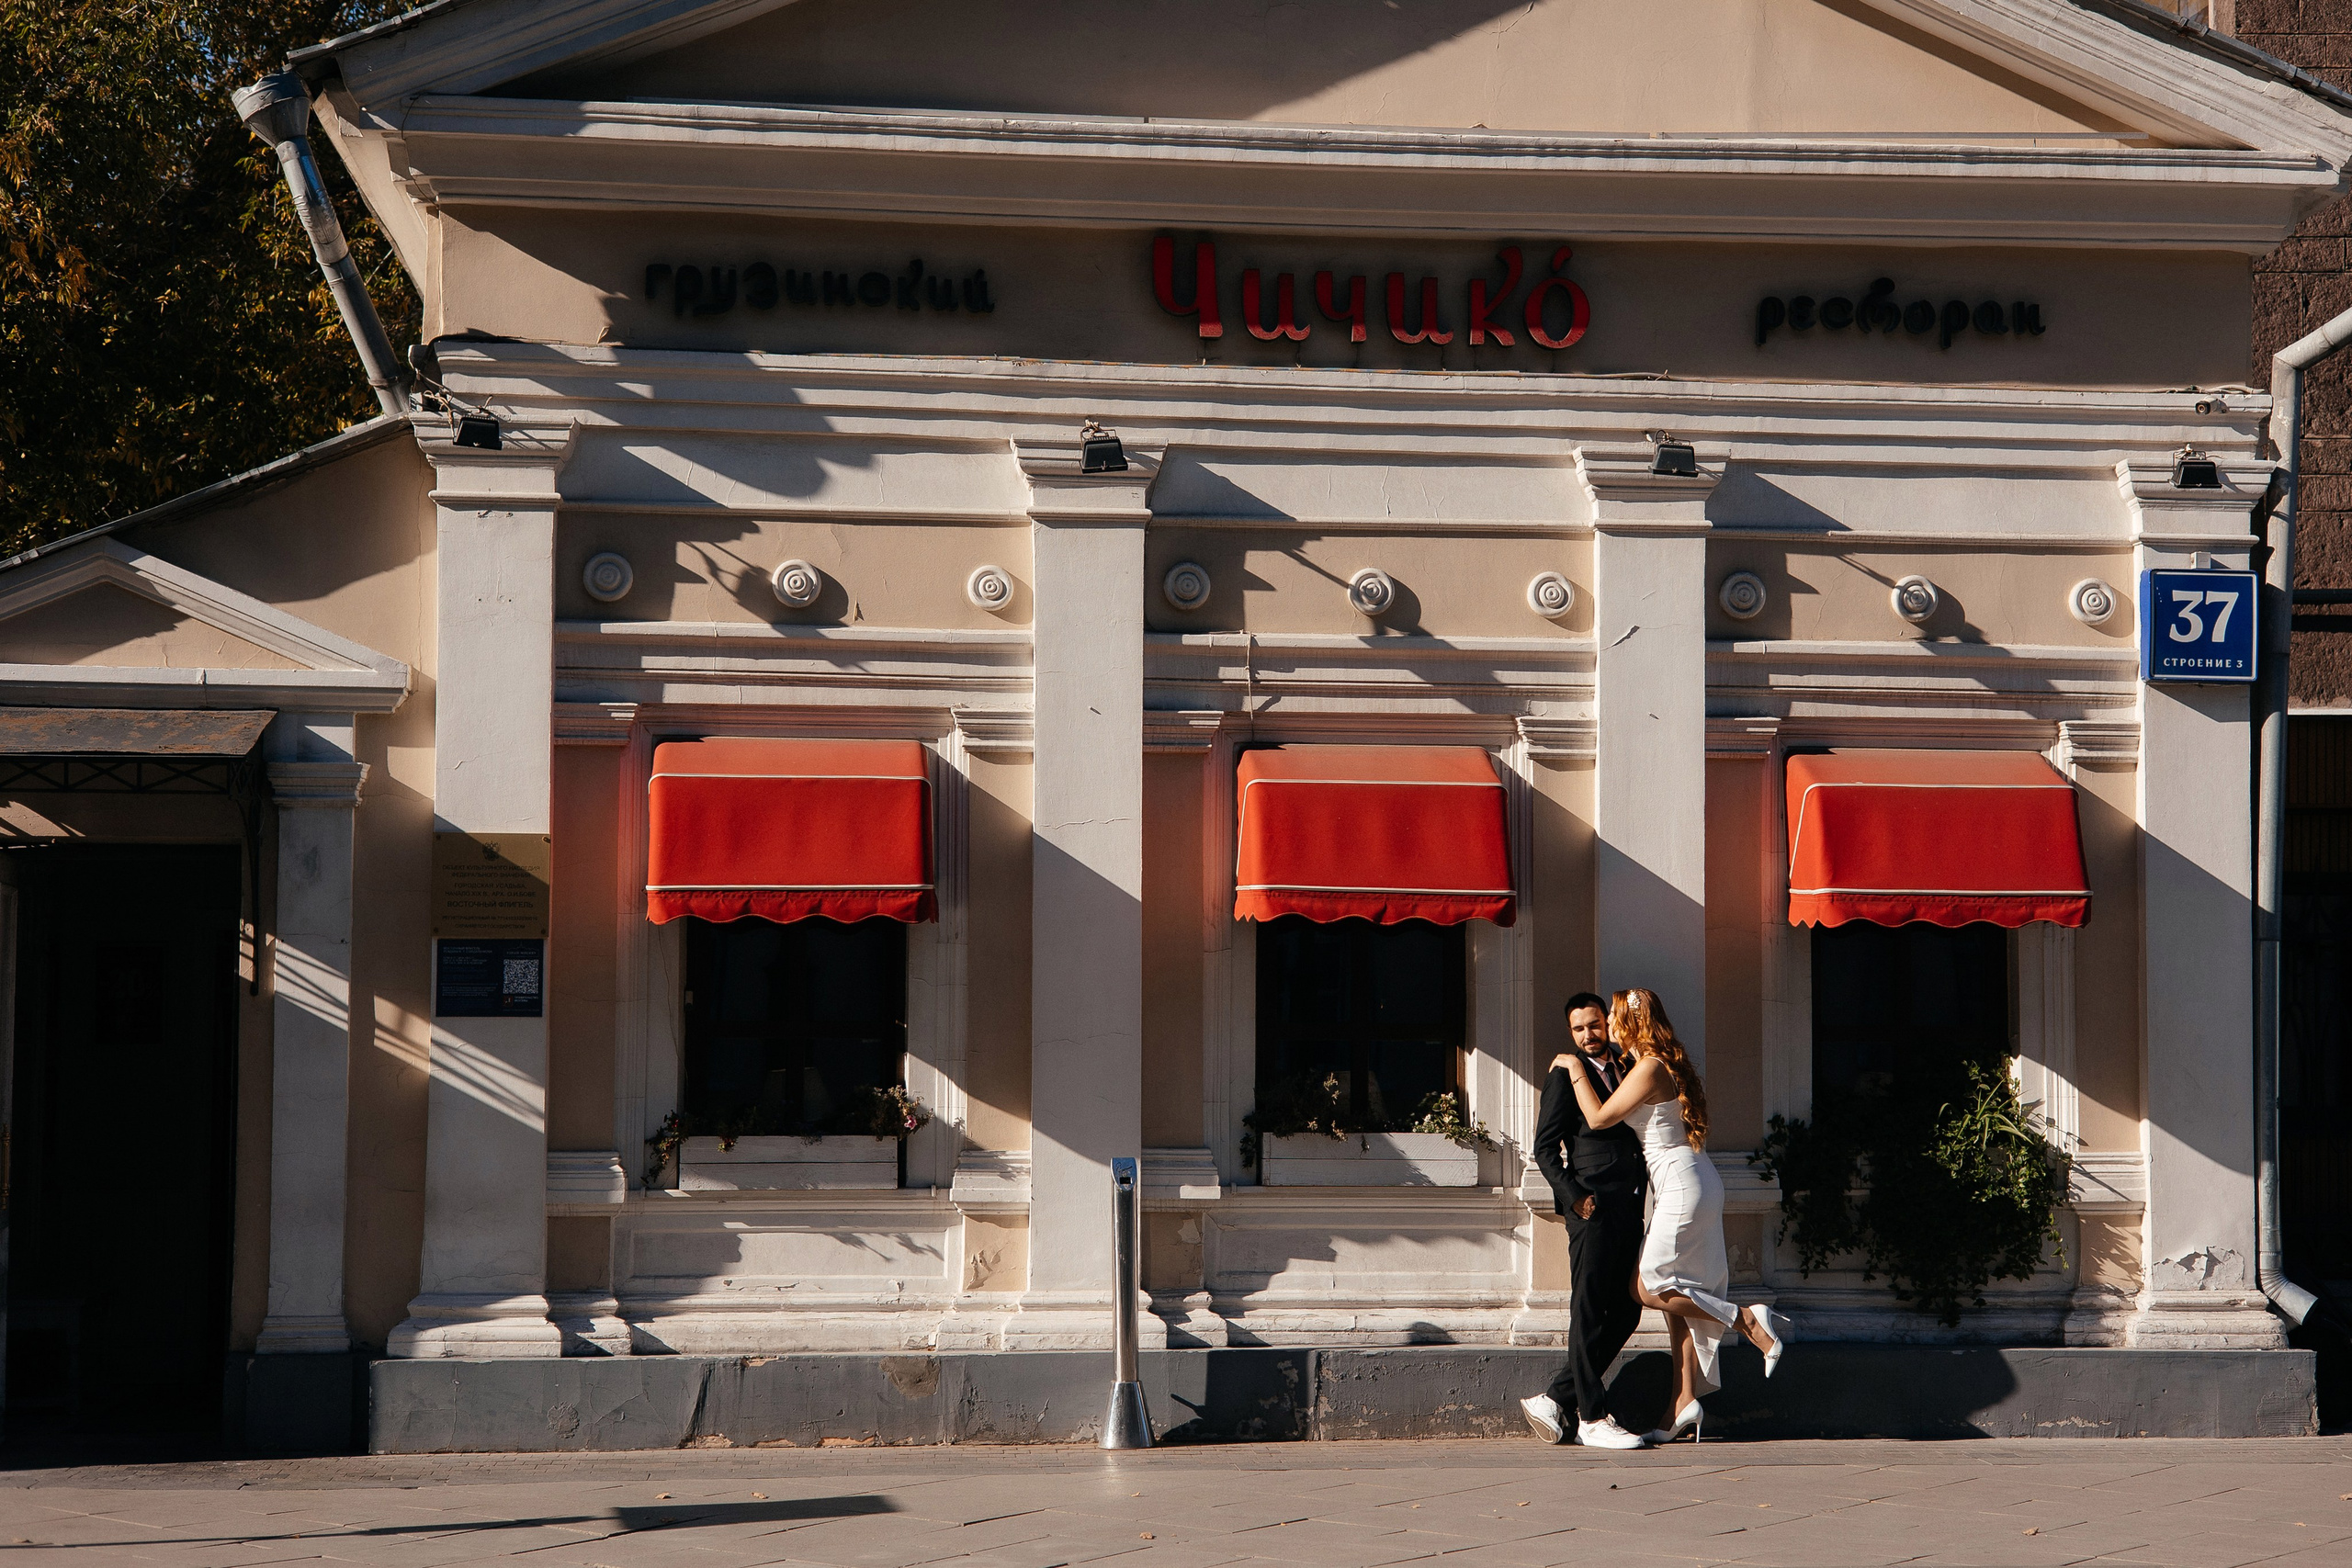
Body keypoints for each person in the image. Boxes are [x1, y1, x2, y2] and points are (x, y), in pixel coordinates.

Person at [1559, 987, 1792, 1444]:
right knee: (1676, 1298)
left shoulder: (1647, 1067)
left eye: (1613, 1017)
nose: (1607, 1025)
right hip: (1688, 1180)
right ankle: (1681, 1403)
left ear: (1631, 1021)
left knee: (1647, 1286)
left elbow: (1601, 1118)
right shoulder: (1658, 1061)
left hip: (1683, 1184)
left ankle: (1746, 1319)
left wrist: (1572, 1068)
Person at [1520, 992, 1650, 1450]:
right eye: (1578, 1030)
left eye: (1594, 1025)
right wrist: (1575, 1198)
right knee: (1590, 1308)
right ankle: (1593, 1415)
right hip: (1592, 1209)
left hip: (1630, 1206)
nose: (1587, 1036)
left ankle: (1556, 1398)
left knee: (1629, 1309)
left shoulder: (1626, 1066)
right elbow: (1543, 1147)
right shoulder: (1563, 1075)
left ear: (1607, 1023)